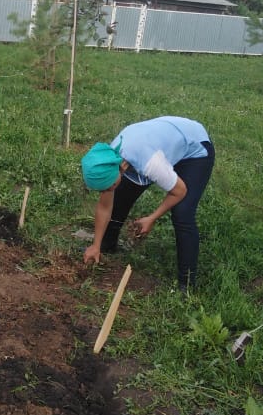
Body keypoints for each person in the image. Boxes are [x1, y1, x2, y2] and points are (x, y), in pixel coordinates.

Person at [81, 117, 215, 291]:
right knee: (120, 194)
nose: (105, 192)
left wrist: (152, 218)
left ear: (117, 170)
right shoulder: (109, 160)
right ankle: (105, 246)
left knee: (183, 212)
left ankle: (186, 284)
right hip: (162, 139)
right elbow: (105, 206)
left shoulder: (149, 162)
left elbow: (179, 191)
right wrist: (95, 244)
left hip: (195, 147)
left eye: (107, 186)